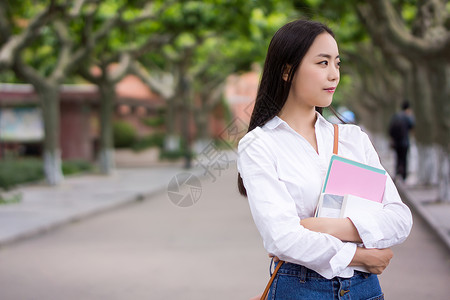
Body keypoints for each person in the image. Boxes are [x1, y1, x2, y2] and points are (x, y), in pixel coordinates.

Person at [237, 20, 412, 299]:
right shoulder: (259, 145)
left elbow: (399, 219)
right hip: (301, 289)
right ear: (286, 71)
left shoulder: (353, 139)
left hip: (364, 290)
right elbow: (282, 238)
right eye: (322, 63)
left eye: (337, 64)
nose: (334, 75)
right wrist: (360, 256)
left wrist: (318, 226)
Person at [388, 100, 415, 181]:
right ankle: (403, 176)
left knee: (398, 158)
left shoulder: (396, 116)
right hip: (405, 142)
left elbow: (390, 129)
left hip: (396, 142)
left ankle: (397, 172)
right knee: (404, 159)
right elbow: (412, 125)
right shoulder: (407, 117)